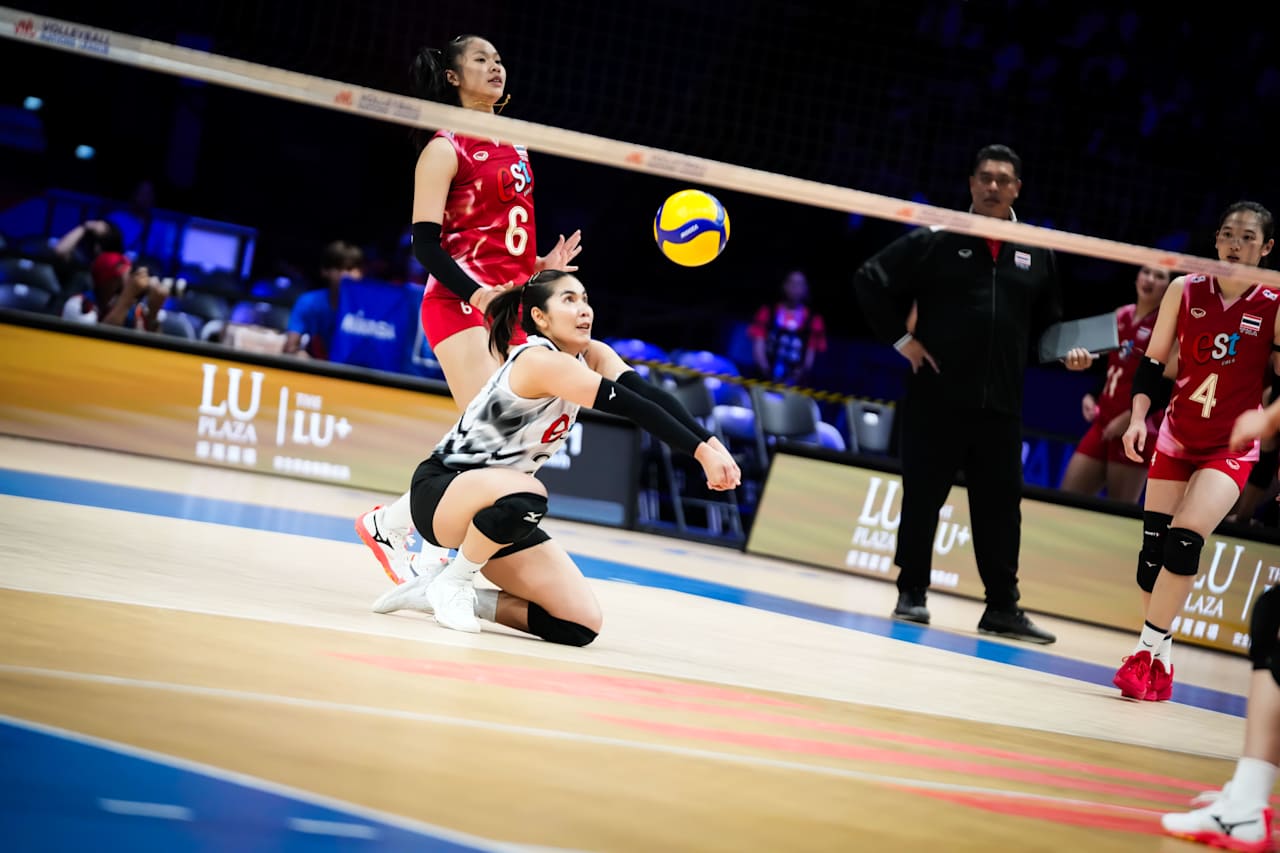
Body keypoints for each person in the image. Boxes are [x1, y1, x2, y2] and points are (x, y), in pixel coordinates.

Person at [369, 271, 741, 639]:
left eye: (585, 299)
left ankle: (439, 594)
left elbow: (650, 396)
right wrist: (700, 454)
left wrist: (711, 442)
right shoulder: (539, 360)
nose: (584, 309)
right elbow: (634, 407)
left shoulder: (592, 355)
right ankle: (455, 581)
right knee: (529, 493)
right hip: (442, 493)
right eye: (569, 300)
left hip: (498, 513)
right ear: (540, 317)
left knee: (578, 623)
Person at [356, 34, 582, 585]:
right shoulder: (443, 147)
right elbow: (425, 244)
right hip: (458, 304)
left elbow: (499, 237)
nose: (496, 67)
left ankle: (398, 526)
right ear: (453, 77)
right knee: (490, 438)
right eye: (482, 59)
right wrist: (477, 292)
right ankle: (416, 538)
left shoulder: (517, 142)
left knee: (512, 438)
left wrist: (538, 265)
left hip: (509, 306)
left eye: (499, 59)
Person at [853, 143, 1093, 644]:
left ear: (1017, 189)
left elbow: (1047, 330)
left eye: (1003, 180)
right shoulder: (937, 237)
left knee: (1002, 508)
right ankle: (911, 592)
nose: (992, 187)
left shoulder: (1037, 251)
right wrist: (902, 341)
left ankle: (1002, 608)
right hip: (935, 398)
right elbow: (869, 280)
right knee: (923, 498)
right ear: (970, 183)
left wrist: (1068, 356)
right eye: (985, 177)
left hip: (1001, 406)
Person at [1115, 200, 1279, 703]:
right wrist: (1138, 418)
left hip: (1230, 447)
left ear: (1266, 248)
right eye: (1228, 234)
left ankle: (1143, 655)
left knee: (1184, 541)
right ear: (1215, 239)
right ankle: (1161, 662)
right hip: (1176, 435)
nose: (1235, 244)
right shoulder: (1184, 289)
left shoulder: (1274, 300)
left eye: (1248, 237)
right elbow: (1152, 365)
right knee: (1151, 556)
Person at [1059, 265, 1172, 503]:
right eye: (1146, 272)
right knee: (1067, 497)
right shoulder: (1120, 314)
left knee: (1119, 508)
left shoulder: (1168, 325)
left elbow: (1167, 384)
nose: (1150, 279)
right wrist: (1092, 394)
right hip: (1103, 422)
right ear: (1137, 277)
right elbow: (1109, 364)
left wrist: (1131, 418)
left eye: (1159, 276)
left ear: (1169, 287)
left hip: (1137, 427)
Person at [283, 240, 365, 359]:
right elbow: (290, 348)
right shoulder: (308, 302)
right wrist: (301, 356)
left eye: (351, 268)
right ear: (325, 271)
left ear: (361, 273)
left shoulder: (371, 310)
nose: (346, 275)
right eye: (339, 268)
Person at [748, 270, 828, 385]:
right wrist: (766, 372)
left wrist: (794, 378)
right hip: (763, 378)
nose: (795, 287)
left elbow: (809, 359)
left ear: (806, 289)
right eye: (792, 283)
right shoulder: (768, 312)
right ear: (784, 286)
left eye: (799, 284)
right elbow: (758, 347)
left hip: (795, 383)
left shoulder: (814, 320)